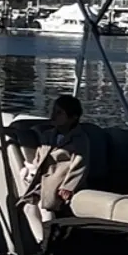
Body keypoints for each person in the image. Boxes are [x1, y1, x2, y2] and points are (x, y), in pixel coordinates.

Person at [12, 93, 96, 241]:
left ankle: (49, 241)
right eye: (54, 111)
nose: (53, 115)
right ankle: (41, 240)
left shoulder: (79, 139)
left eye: (59, 113)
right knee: (28, 207)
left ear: (73, 118)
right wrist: (32, 169)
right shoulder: (48, 135)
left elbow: (80, 165)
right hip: (44, 178)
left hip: (60, 179)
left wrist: (69, 186)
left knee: (46, 208)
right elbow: (41, 155)